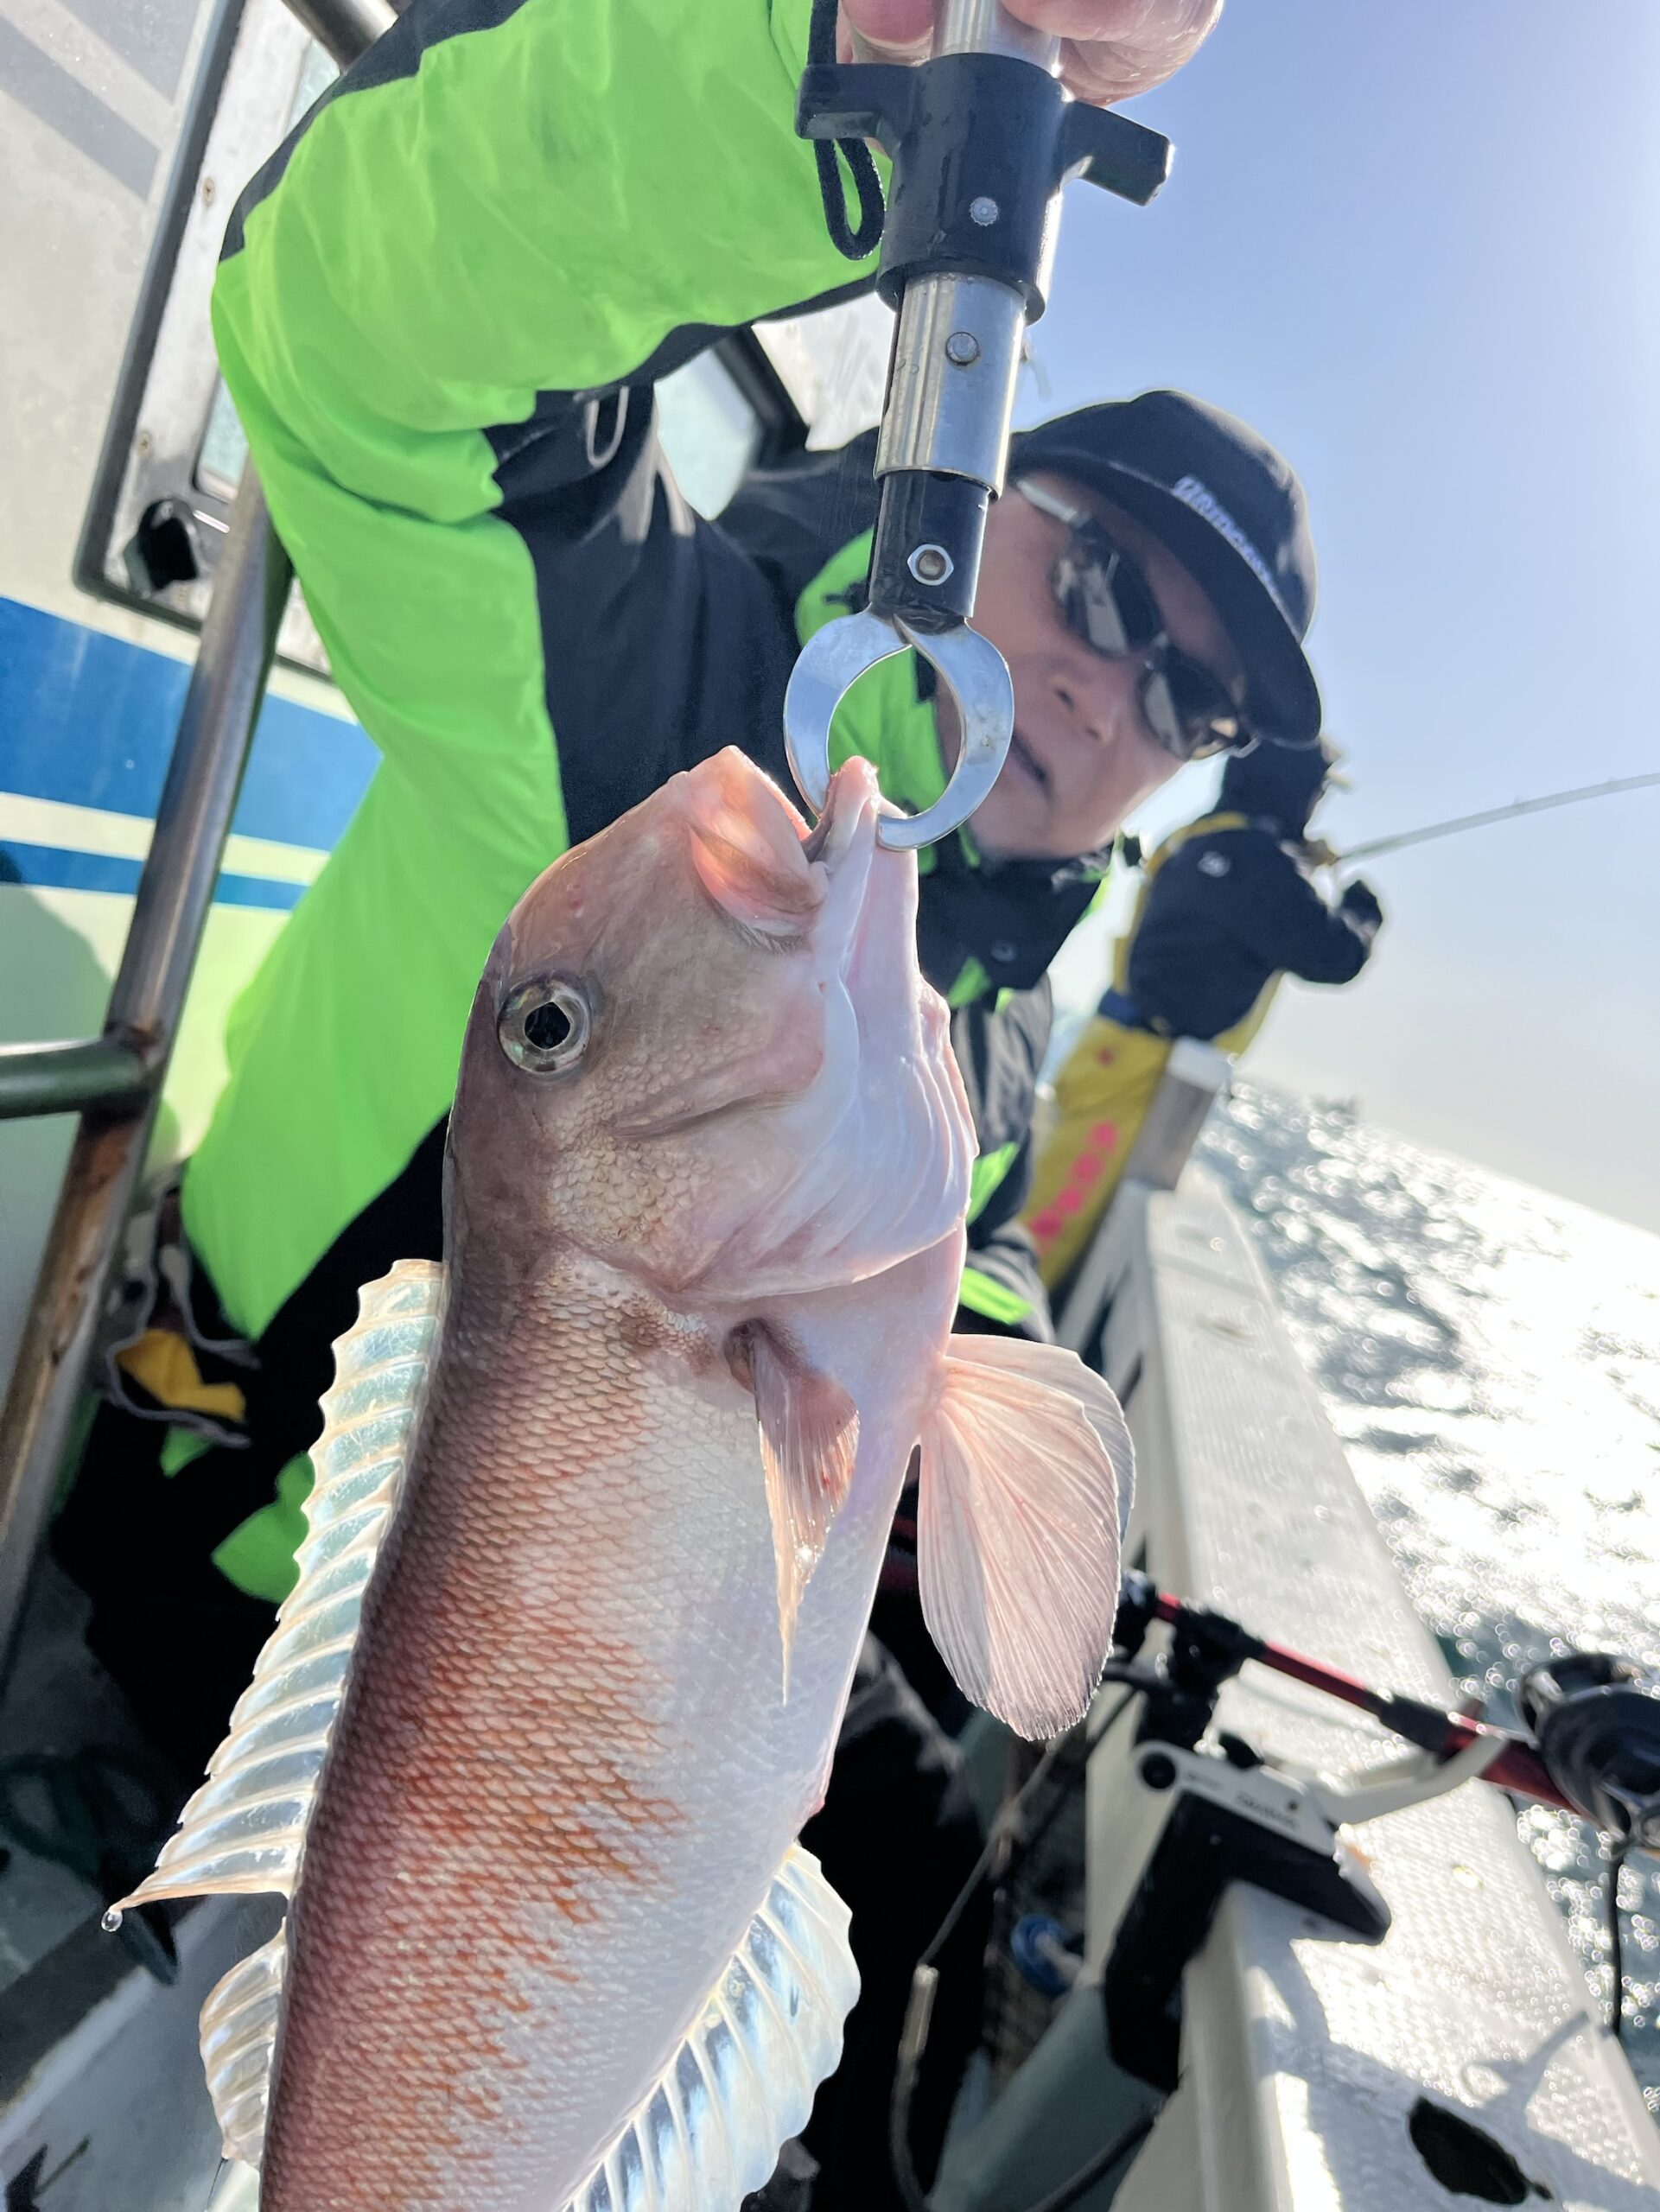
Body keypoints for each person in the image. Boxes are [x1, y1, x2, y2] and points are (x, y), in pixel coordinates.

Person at [43, 2, 1345, 2203]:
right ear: (986, 490)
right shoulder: (648, 703)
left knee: (926, 1823)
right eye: (1107, 581)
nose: (1109, 686)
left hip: (584, 1735)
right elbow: (344, 319)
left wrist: (1000, 1328)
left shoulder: (972, 1006)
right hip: (212, 1578)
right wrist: (848, 71)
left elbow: (992, 1242)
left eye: (1187, 697)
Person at [1023, 731, 1383, 1291]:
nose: (1316, 807)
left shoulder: (1211, 838)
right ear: (1294, 788)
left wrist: (1295, 857)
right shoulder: (1259, 865)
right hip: (1143, 1065)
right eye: (1316, 792)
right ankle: (987, 1338)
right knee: (1058, 1212)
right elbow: (1330, 953)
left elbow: (1251, 888)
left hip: (1113, 1045)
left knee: (1053, 1181)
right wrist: (1360, 911)